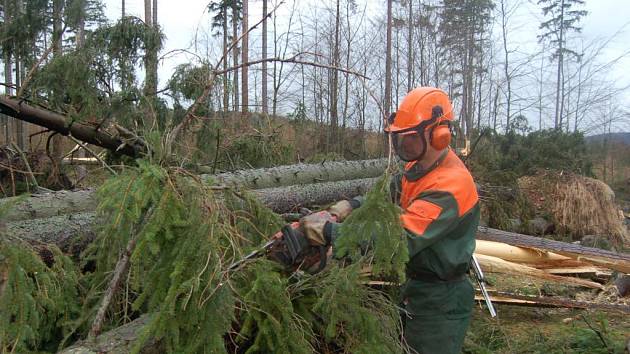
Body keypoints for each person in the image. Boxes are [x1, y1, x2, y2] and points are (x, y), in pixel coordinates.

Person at [299, 87, 480, 354]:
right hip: (415, 286)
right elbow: (387, 196)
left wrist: (330, 233)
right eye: (400, 139)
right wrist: (349, 206)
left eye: (410, 139)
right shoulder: (418, 166)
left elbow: (397, 239)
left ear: (439, 135)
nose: (403, 147)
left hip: (441, 298)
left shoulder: (450, 187)